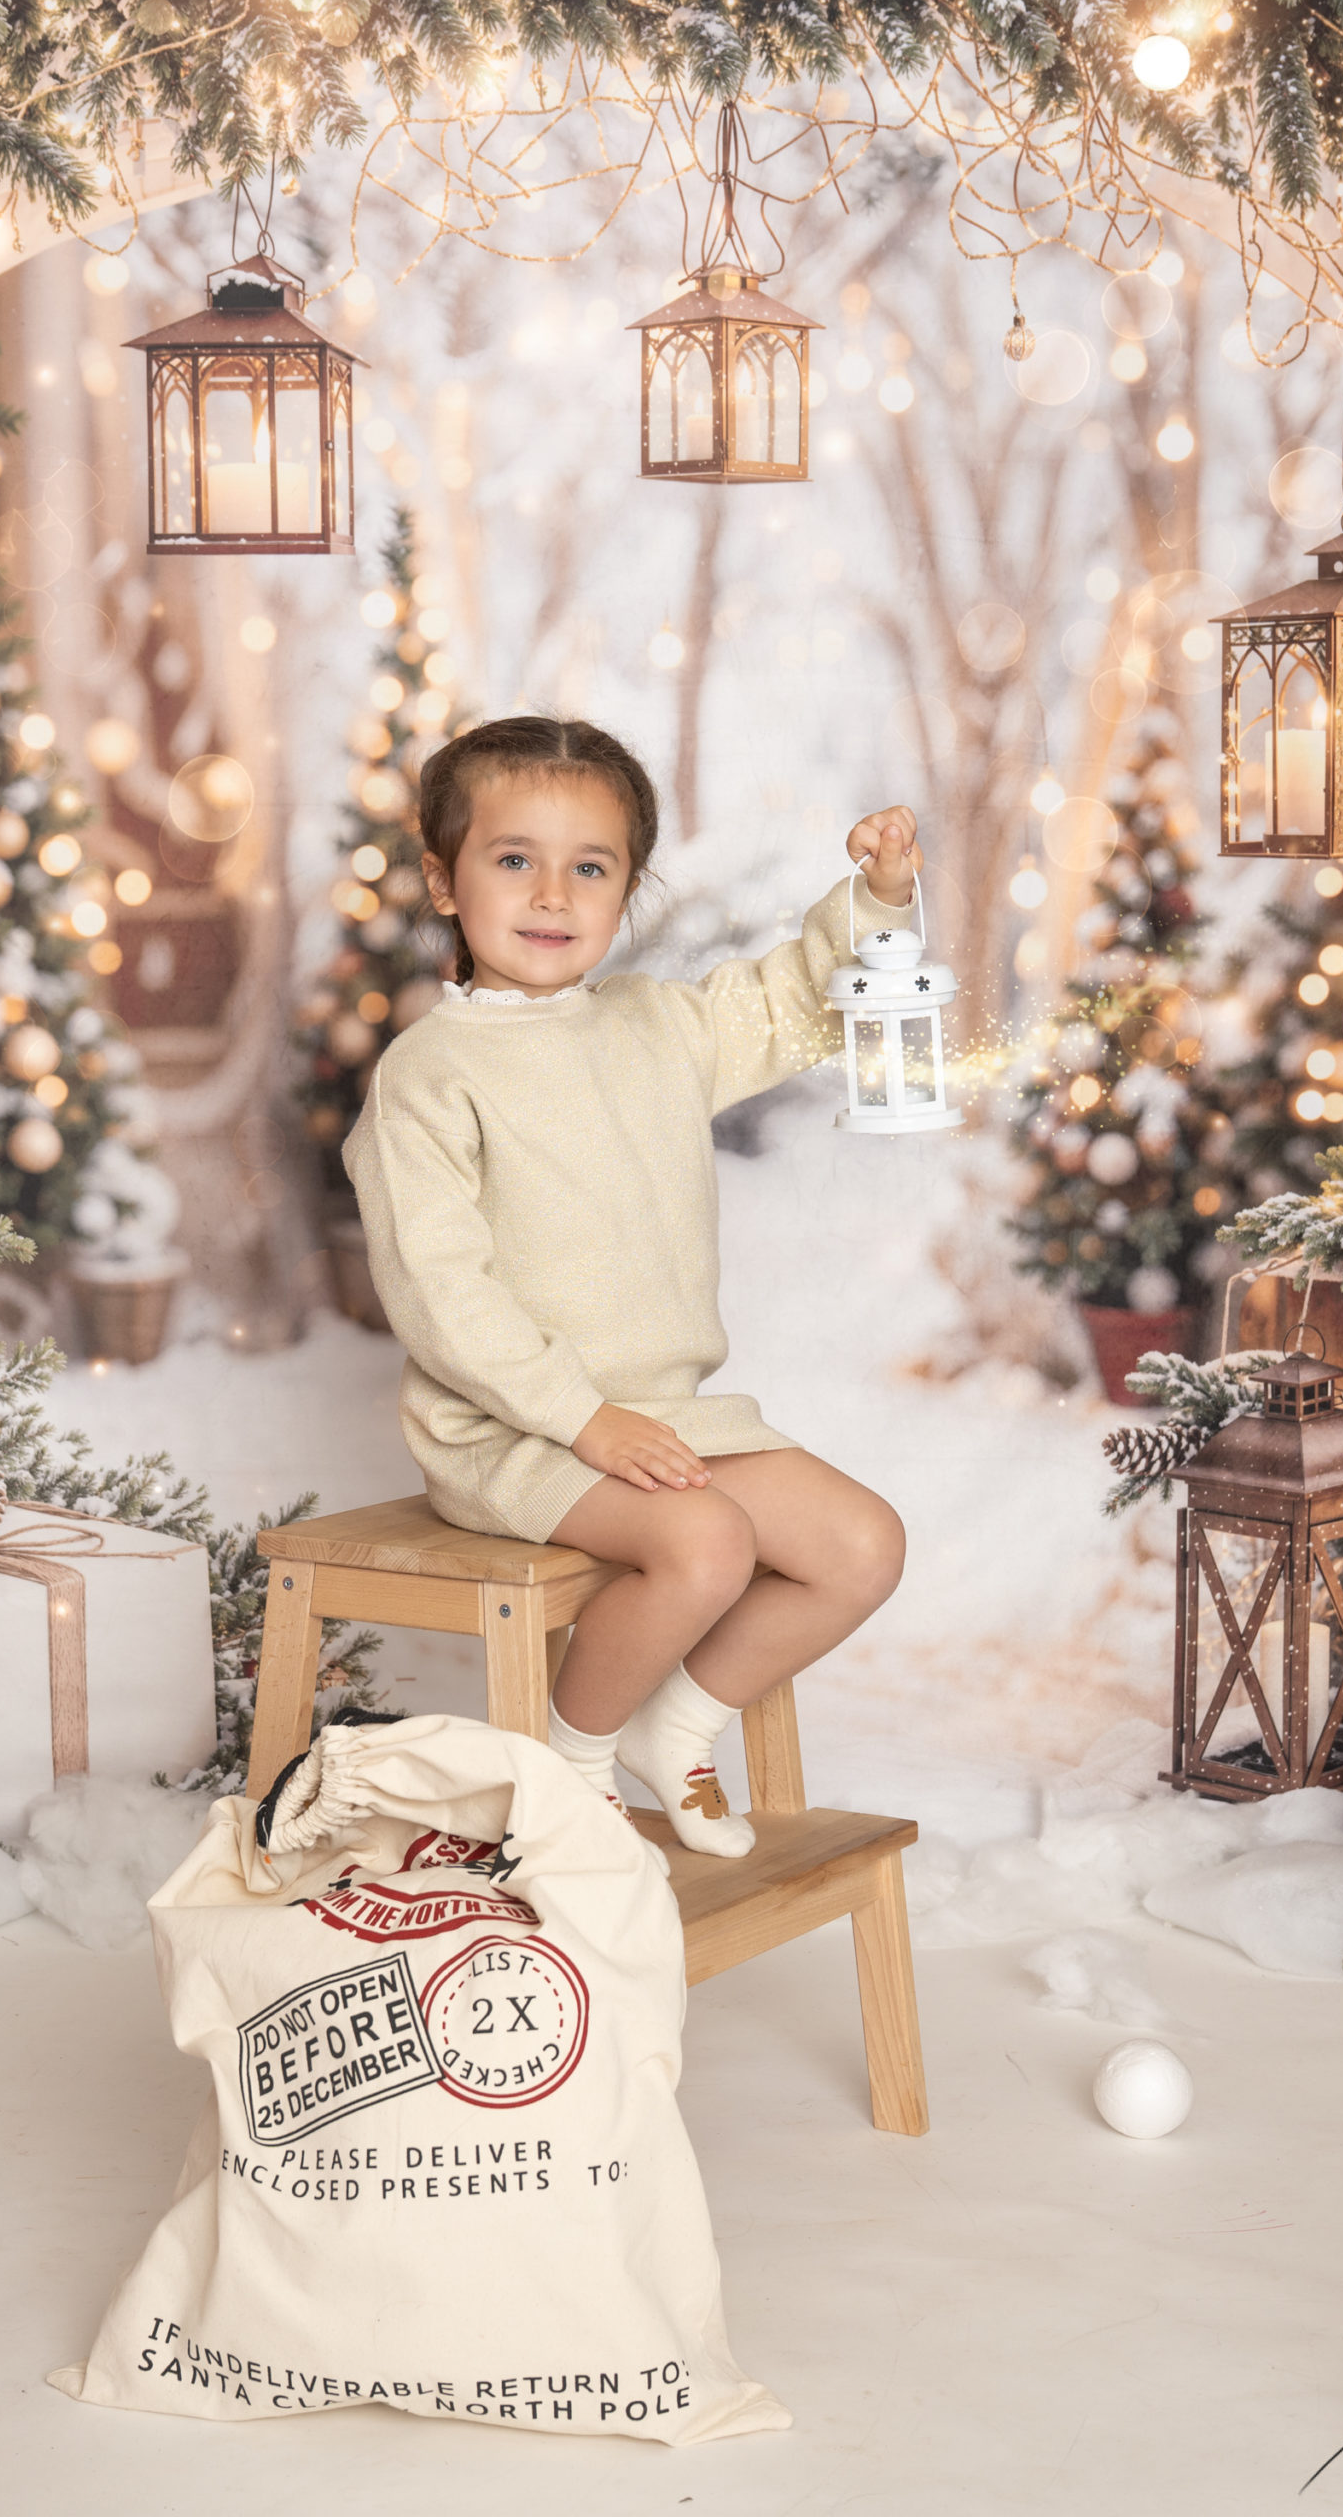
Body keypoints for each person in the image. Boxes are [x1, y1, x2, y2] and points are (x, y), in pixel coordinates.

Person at [345, 715, 911, 1857]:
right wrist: (584, 1421)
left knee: (863, 1544)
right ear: (443, 880)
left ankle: (677, 1724)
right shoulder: (429, 1076)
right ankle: (574, 1756)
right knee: (703, 1544)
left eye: (589, 867)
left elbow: (790, 998)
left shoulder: (659, 1026)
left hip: (664, 1415)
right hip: (515, 1429)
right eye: (514, 859)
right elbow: (442, 1297)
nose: (552, 893)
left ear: (625, 888)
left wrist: (875, 900)